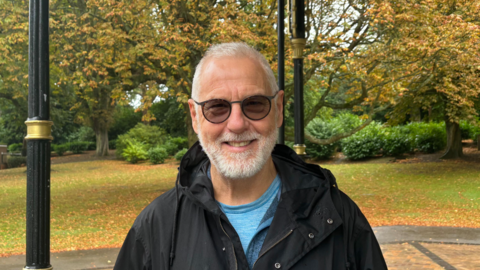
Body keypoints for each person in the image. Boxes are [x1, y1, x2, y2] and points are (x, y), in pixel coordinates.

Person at [114, 43, 387, 270]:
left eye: (254, 104)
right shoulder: (157, 227)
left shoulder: (337, 216)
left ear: (278, 109)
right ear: (195, 117)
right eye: (217, 107)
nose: (236, 124)